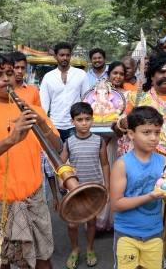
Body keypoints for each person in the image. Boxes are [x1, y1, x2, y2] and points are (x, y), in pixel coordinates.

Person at [0, 53, 61, 269]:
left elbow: (57, 148)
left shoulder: (35, 110)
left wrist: (42, 125)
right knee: (1, 261)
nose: (6, 79)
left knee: (42, 259)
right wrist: (11, 140)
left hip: (33, 198)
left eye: (9, 73)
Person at [110, 106, 166, 269]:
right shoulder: (122, 164)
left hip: (154, 233)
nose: (153, 138)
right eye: (146, 132)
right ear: (131, 134)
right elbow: (116, 204)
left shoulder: (163, 162)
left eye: (157, 132)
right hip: (126, 234)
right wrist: (150, 197)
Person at [60, 102, 110, 269]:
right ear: (72, 121)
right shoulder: (69, 142)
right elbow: (61, 166)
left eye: (87, 119)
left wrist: (107, 186)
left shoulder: (99, 141)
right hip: (75, 190)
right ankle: (75, 249)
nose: (84, 123)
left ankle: (89, 248)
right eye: (79, 119)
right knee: (72, 223)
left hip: (94, 189)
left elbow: (104, 164)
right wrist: (62, 181)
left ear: (92, 120)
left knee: (91, 221)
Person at [10, 51, 58, 207]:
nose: (19, 71)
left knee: (39, 175)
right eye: (16, 67)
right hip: (13, 140)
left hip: (34, 140)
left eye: (22, 68)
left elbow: (39, 114)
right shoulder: (2, 91)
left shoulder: (32, 90)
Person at [40, 41, 90, 143]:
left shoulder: (80, 74)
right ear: (55, 56)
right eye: (62, 55)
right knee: (55, 157)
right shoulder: (48, 77)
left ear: (70, 56)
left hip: (74, 124)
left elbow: (86, 99)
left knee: (74, 156)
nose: (65, 58)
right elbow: (44, 104)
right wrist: (45, 124)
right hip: (54, 124)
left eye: (67, 55)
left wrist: (84, 122)